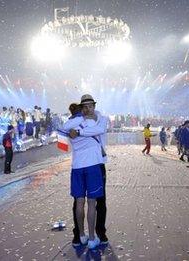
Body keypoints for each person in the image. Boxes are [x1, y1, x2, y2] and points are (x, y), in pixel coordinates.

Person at [65, 94, 107, 250]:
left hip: (77, 166)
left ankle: (80, 235)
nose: (89, 108)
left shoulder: (71, 124)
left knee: (79, 202)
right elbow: (100, 129)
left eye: (91, 105)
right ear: (82, 108)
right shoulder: (94, 121)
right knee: (92, 202)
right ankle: (91, 237)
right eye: (86, 106)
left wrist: (78, 131)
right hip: (93, 164)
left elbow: (65, 128)